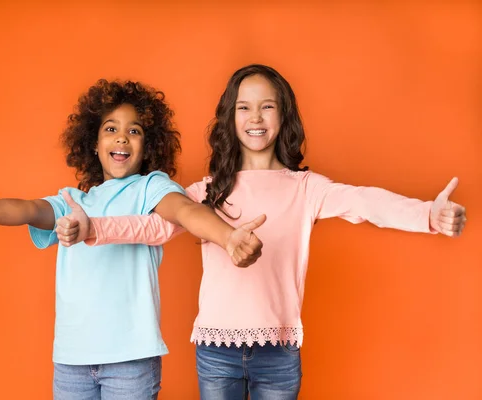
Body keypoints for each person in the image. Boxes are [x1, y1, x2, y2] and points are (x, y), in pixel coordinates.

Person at [56, 65, 467, 400]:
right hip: (216, 352)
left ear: (283, 116)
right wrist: (94, 228)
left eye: (266, 107)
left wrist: (429, 214)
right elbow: (152, 226)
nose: (255, 118)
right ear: (230, 119)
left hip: (279, 352)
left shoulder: (306, 189)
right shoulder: (207, 190)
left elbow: (366, 203)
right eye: (244, 108)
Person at [0, 79, 265, 400]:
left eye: (135, 131)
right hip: (72, 360)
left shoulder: (150, 187)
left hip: (131, 360)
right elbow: (28, 209)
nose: (122, 137)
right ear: (94, 145)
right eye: (111, 129)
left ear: (148, 147)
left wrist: (227, 236)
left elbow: (184, 210)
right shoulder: (72, 202)